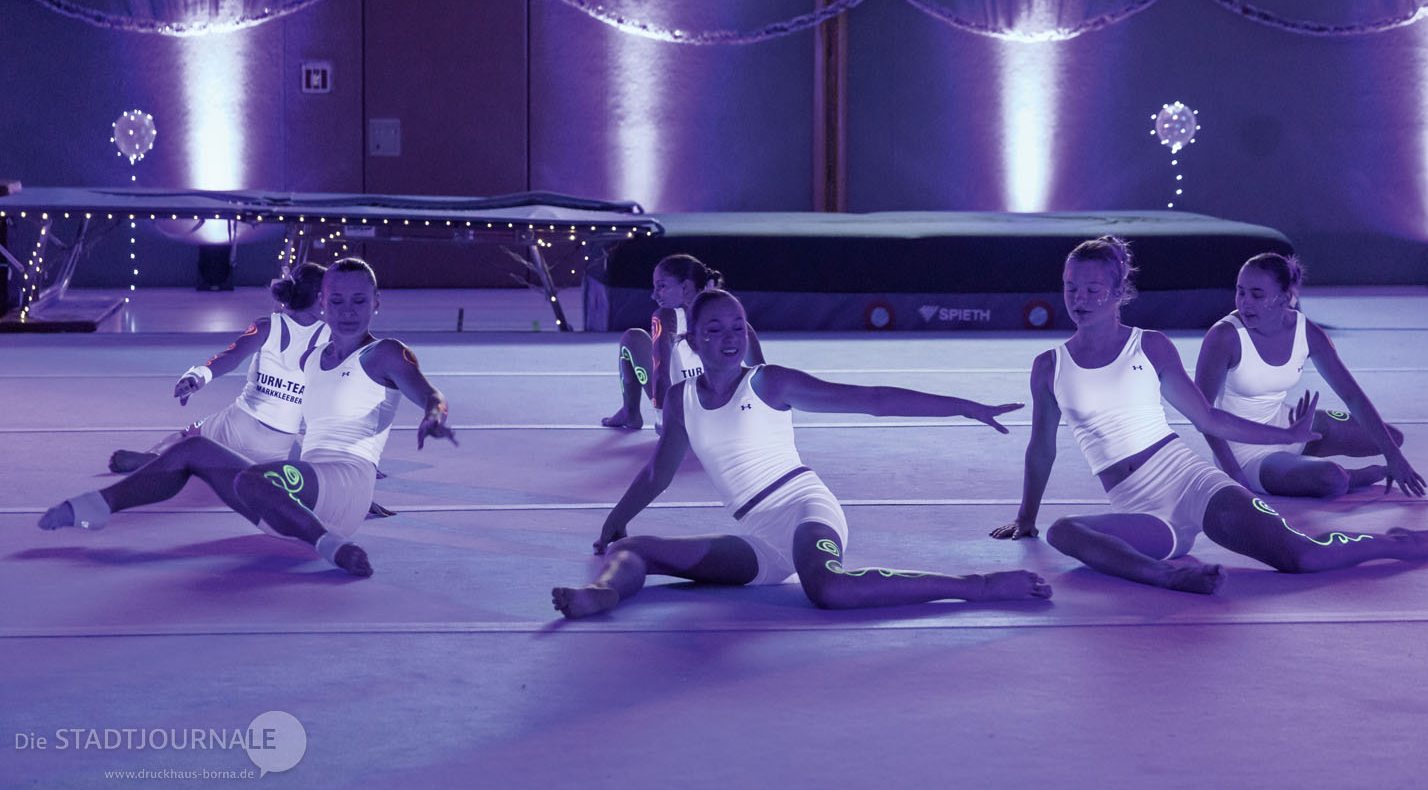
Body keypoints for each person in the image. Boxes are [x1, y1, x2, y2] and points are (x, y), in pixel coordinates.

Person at [554, 289, 1051, 618]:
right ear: (693, 340)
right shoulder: (682, 400)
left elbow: (873, 400)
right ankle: (603, 593)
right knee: (632, 549)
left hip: (803, 508)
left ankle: (976, 585)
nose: (730, 339)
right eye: (715, 330)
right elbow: (655, 475)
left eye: (738, 327)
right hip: (756, 537)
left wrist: (965, 407)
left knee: (828, 590)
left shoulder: (769, 382)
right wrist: (615, 520)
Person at [990, 237, 1428, 594]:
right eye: (1071, 287)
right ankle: (1168, 575)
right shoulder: (1050, 366)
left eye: (1093, 289)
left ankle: (1396, 542)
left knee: (1302, 557)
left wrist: (1285, 435)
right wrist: (1026, 518)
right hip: (1137, 507)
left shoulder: (1150, 347)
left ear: (1119, 292)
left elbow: (1209, 419)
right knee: (1064, 532)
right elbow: (1042, 449)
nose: (1079, 298)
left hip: (1191, 482)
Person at [38, 258, 457, 577]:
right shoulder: (312, 358)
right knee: (192, 450)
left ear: (377, 302)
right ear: (322, 304)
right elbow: (306, 420)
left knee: (255, 477)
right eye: (337, 301)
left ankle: (334, 549)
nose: (348, 311)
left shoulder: (385, 352)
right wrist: (200, 376)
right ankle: (95, 506)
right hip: (288, 505)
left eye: (360, 301)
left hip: (341, 488)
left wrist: (433, 414)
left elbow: (428, 392)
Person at [1193, 252, 1425, 499]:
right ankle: (1356, 475)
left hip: (1291, 426)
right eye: (1240, 292)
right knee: (1332, 479)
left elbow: (1352, 396)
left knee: (1392, 439)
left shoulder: (1307, 332)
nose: (1245, 303)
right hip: (1243, 450)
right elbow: (1202, 413)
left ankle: (1301, 462)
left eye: (1257, 295)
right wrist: (1234, 474)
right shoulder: (1224, 337)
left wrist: (1394, 456)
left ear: (1285, 297)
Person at [108, 263, 329, 473]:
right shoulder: (331, 337)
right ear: (321, 299)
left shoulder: (266, 326)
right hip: (279, 446)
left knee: (191, 434)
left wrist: (197, 376)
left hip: (237, 428)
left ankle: (153, 457)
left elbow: (231, 357)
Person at [601, 253, 764, 431]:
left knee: (632, 338)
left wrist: (663, 422)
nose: (654, 295)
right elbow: (762, 374)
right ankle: (631, 412)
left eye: (661, 286)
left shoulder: (666, 316)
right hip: (734, 419)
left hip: (690, 422)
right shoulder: (738, 323)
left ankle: (630, 411)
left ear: (685, 288)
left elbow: (661, 374)